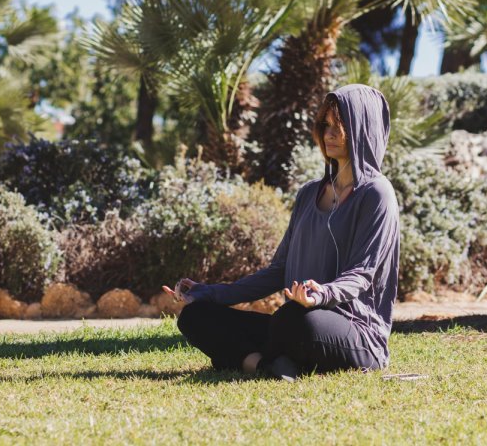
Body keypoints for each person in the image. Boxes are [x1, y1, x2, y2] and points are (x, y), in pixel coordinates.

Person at [165, 84, 400, 381]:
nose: (328, 134)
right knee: (196, 316)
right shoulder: (308, 194)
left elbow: (363, 274)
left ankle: (252, 357)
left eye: (339, 126)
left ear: (363, 127)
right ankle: (265, 366)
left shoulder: (377, 193)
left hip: (354, 331)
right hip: (294, 324)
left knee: (292, 320)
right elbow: (279, 271)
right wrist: (209, 293)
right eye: (325, 125)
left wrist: (322, 295)